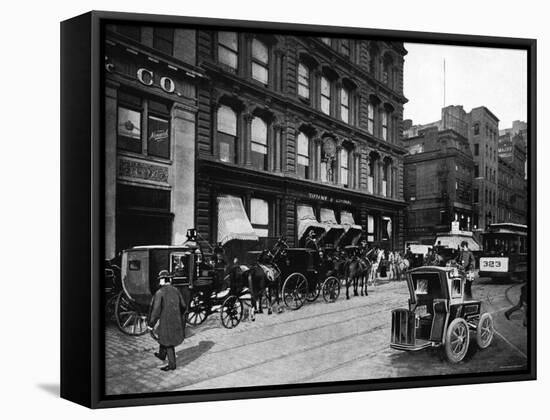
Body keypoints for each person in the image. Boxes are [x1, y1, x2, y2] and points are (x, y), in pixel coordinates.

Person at [148, 270, 187, 371]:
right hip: (176, 320)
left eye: (160, 279)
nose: (159, 282)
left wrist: (151, 324)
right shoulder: (176, 290)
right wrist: (178, 314)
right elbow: (183, 306)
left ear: (163, 280)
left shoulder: (160, 292)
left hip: (166, 321)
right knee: (163, 336)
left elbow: (156, 311)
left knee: (168, 342)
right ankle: (162, 355)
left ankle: (172, 365)